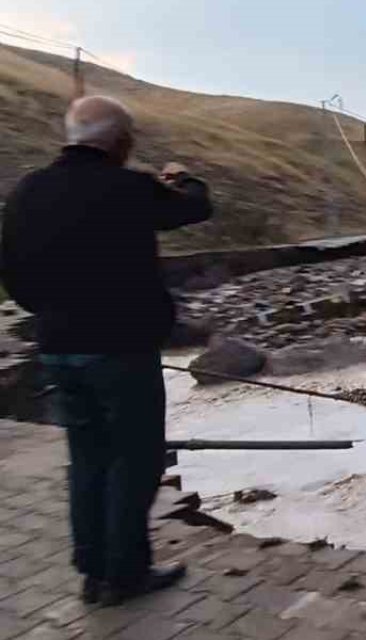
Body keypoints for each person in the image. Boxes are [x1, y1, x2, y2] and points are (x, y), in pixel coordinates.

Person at [1, 95, 213, 605]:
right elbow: (197, 206)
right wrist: (182, 176)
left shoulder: (28, 190)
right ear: (121, 142)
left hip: (59, 348)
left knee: (88, 460)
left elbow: (12, 274)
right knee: (134, 462)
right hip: (121, 350)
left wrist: (51, 311)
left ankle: (93, 573)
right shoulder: (129, 186)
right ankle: (127, 574)